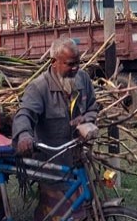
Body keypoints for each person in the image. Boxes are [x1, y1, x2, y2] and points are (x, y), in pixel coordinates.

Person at [12, 36, 98, 221]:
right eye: (70, 64)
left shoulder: (82, 79)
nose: (75, 68)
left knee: (83, 209)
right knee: (55, 213)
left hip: (77, 158)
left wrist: (86, 118)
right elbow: (24, 114)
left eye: (78, 62)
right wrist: (24, 135)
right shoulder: (39, 87)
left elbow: (92, 107)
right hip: (53, 163)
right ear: (54, 62)